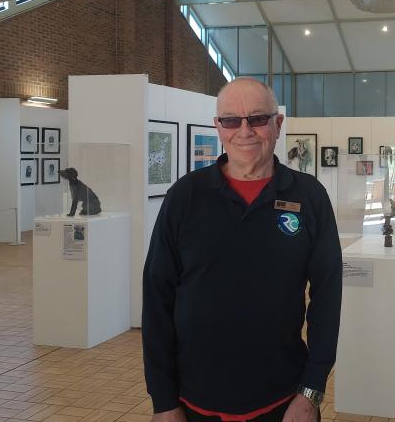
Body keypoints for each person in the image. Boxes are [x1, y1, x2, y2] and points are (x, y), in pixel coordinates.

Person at [142, 77, 343, 422]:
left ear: (277, 124)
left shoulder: (309, 197)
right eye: (232, 120)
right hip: (193, 402)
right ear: (218, 127)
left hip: (283, 401)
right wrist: (163, 400)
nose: (244, 131)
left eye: (258, 119)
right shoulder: (185, 197)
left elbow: (327, 297)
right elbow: (157, 298)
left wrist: (311, 392)